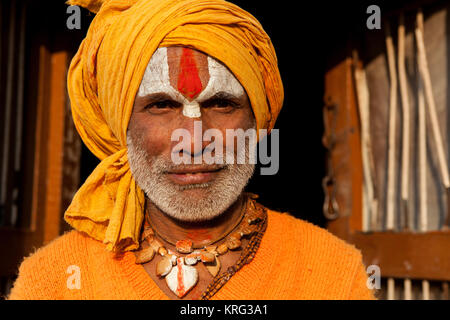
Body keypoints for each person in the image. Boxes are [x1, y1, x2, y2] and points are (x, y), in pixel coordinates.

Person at [8, 0, 375, 300]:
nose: (195, 140)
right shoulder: (52, 280)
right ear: (121, 126)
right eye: (162, 106)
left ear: (257, 122)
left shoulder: (332, 273)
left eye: (222, 104)